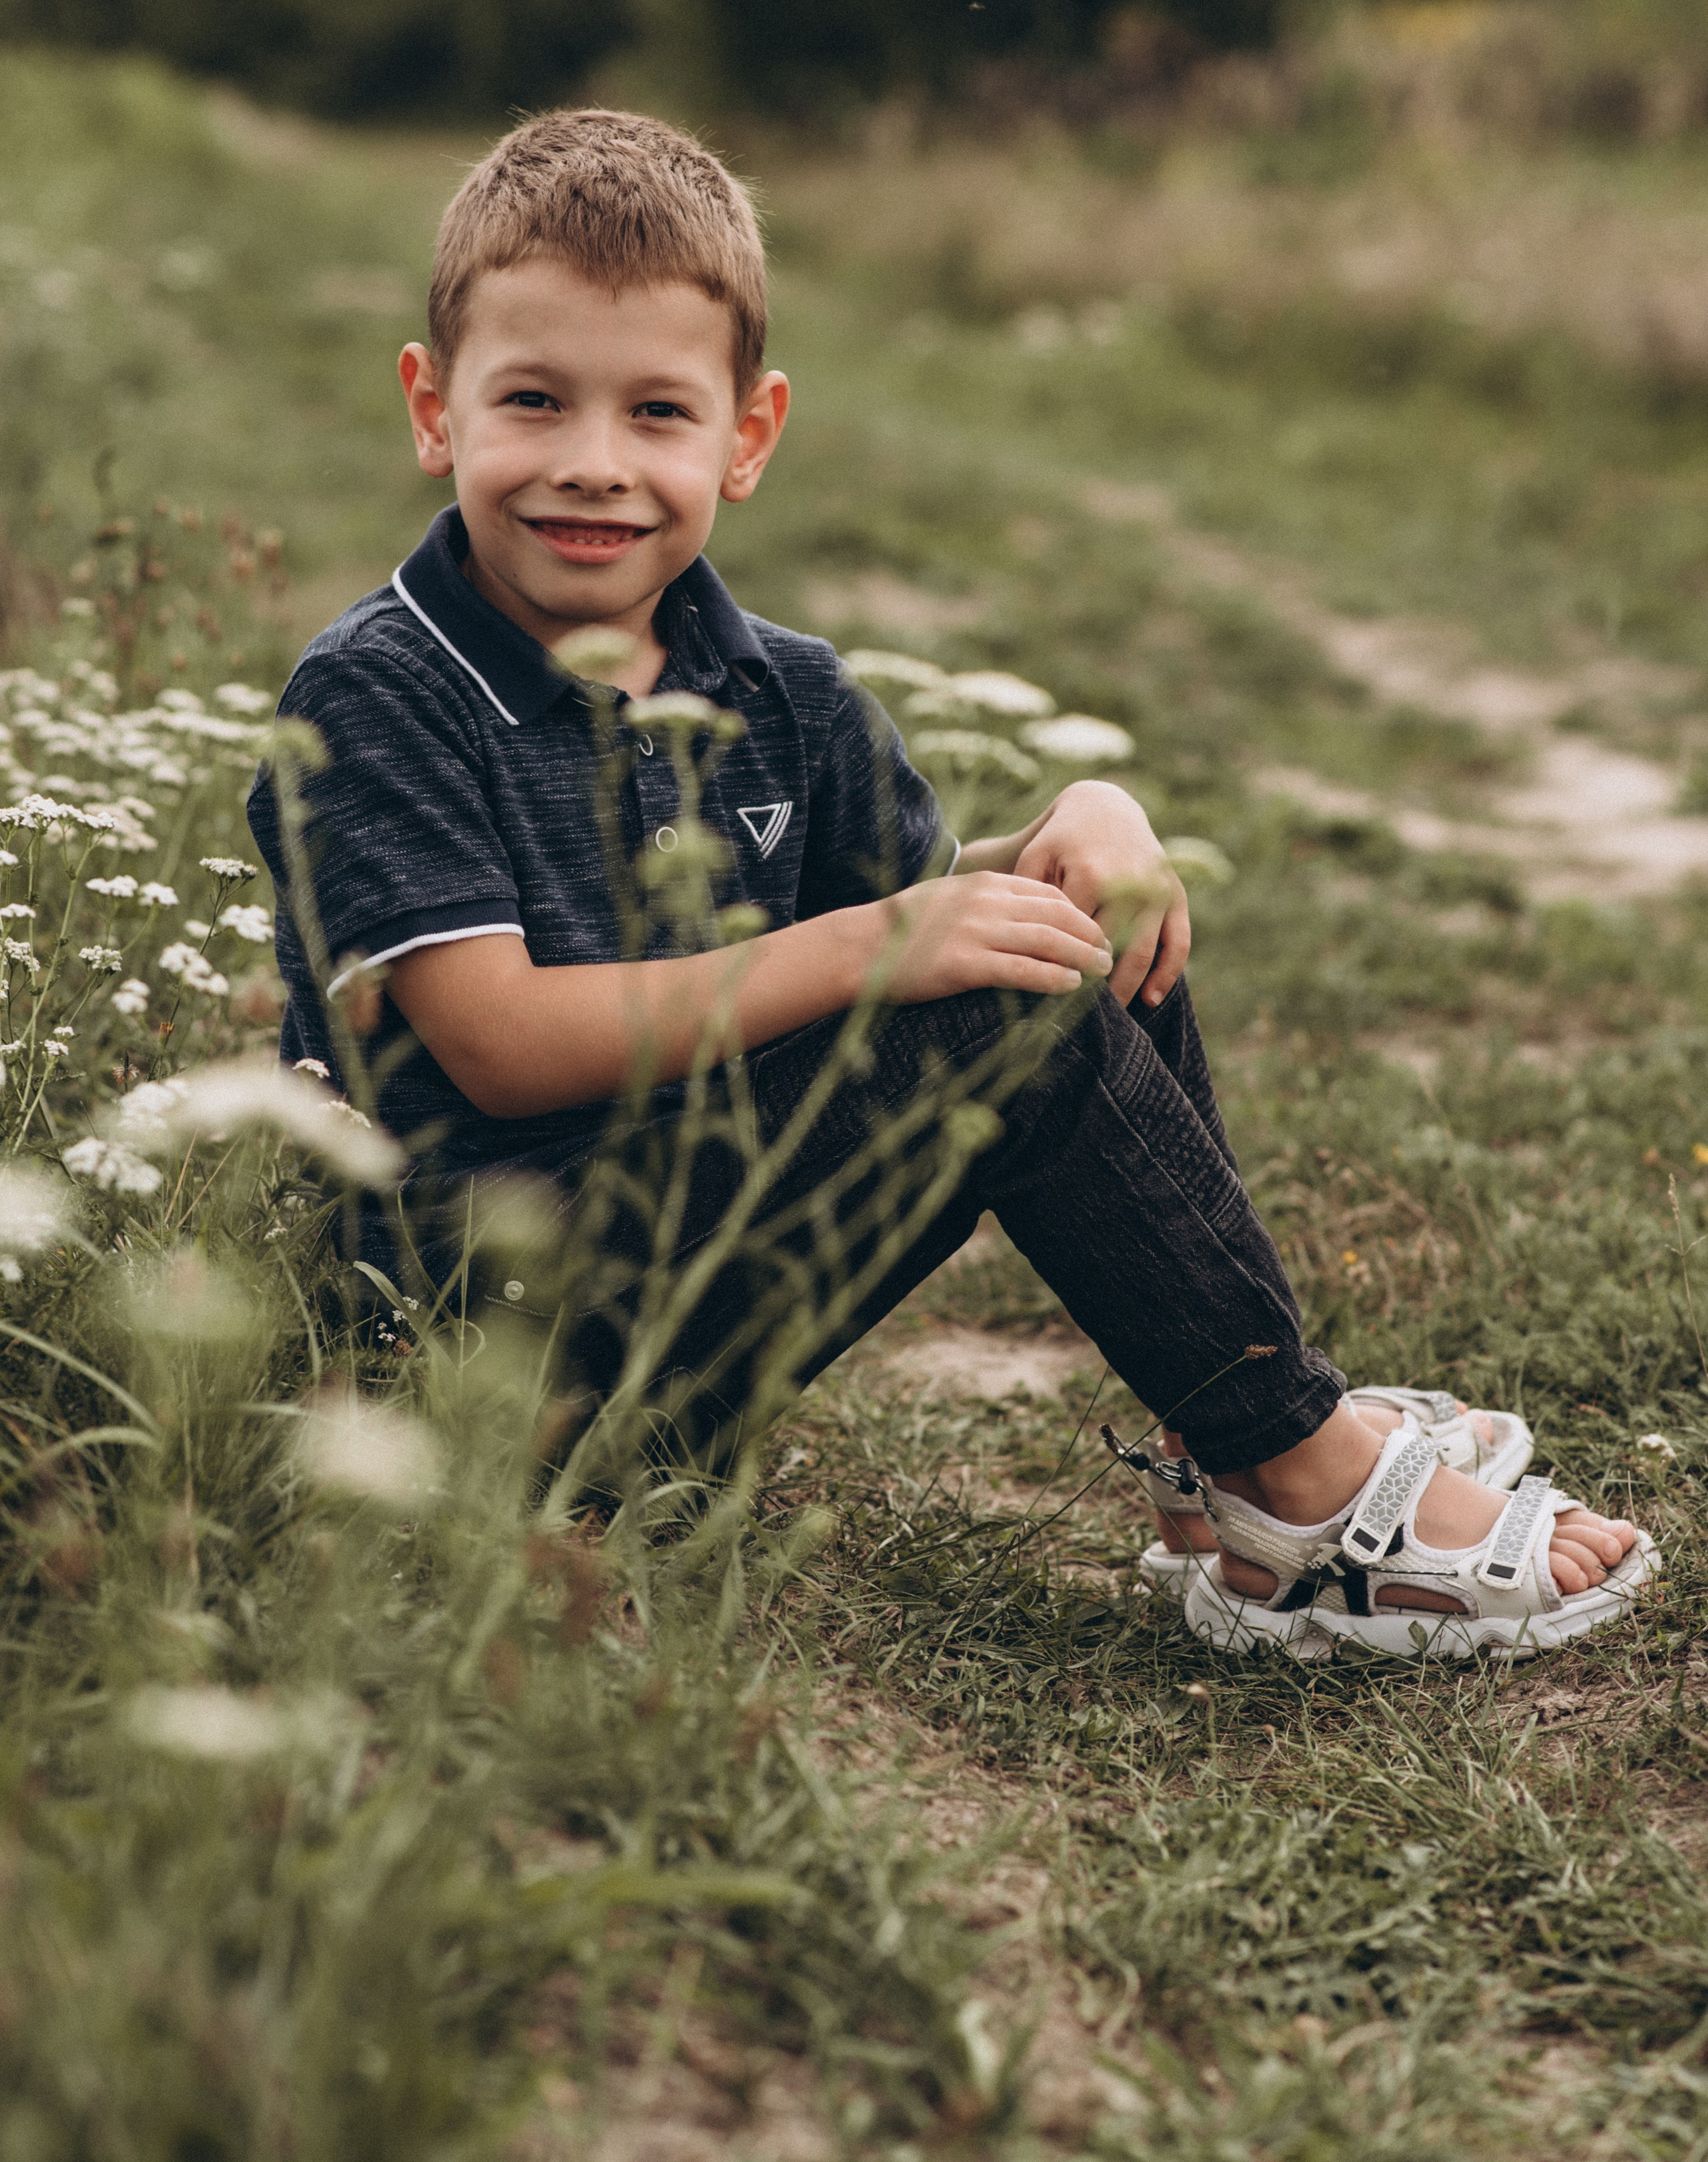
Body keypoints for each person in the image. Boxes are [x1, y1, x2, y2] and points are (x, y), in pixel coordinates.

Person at [248, 109, 1652, 1662]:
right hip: (483, 1360)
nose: (593, 463)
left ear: (748, 434)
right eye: (533, 401)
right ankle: (1305, 1478)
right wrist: (878, 939)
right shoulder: (381, 691)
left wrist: (1075, 826)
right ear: (432, 408)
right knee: (1006, 1007)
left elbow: (928, 928)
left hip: (698, 1261)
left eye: (657, 411)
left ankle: (1232, 1474)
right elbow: (496, 1038)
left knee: (1070, 939)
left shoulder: (779, 689)